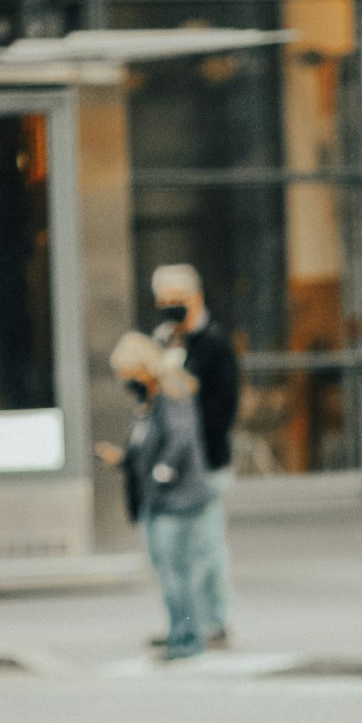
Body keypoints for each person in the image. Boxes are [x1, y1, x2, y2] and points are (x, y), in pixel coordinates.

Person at [97, 333, 210, 662]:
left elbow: (181, 440)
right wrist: (123, 460)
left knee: (178, 573)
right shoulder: (145, 403)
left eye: (130, 373)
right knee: (167, 572)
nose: (126, 381)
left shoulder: (172, 394)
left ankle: (189, 637)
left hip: (178, 500)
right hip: (156, 501)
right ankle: (179, 630)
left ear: (145, 368)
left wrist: (162, 472)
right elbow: (144, 448)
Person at [152, 264, 239, 649]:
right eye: (164, 303)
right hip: (174, 467)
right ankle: (185, 625)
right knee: (175, 558)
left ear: (196, 298)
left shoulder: (216, 344)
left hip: (206, 465)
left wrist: (193, 444)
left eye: (177, 302)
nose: (171, 310)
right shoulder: (164, 342)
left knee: (205, 549)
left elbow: (225, 406)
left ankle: (214, 624)